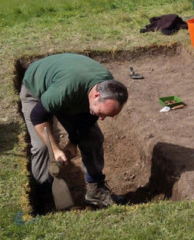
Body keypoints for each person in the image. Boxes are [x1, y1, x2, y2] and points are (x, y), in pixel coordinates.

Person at [19, 53, 129, 208]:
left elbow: (88, 120)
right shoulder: (67, 89)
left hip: (65, 91)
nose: (102, 118)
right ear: (96, 95)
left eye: (107, 116)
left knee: (93, 138)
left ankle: (95, 190)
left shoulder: (106, 86)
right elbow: (37, 116)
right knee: (43, 147)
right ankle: (44, 198)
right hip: (36, 89)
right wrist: (56, 150)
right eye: (102, 114)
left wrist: (73, 143)